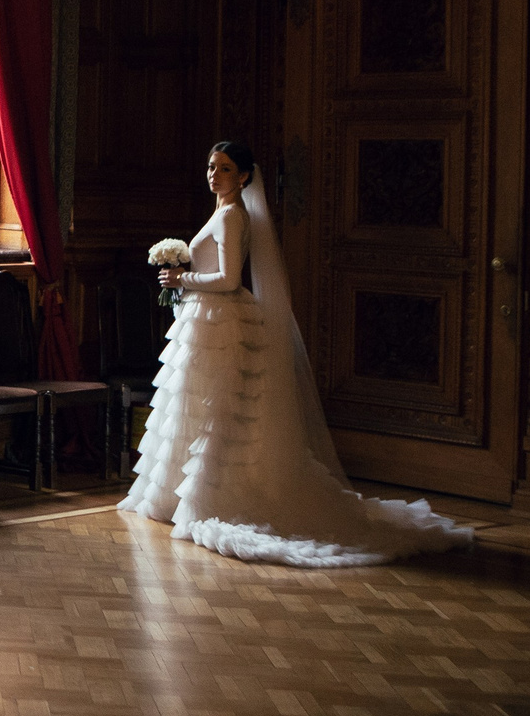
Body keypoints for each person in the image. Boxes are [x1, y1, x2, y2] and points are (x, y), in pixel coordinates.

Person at [118, 140, 475, 567]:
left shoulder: (231, 215)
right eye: (212, 166)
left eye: (225, 168)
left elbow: (230, 280)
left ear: (244, 177)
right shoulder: (223, 211)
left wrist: (183, 279)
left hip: (221, 320)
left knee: (219, 412)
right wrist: (183, 282)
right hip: (208, 319)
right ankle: (177, 496)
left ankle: (208, 498)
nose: (214, 174)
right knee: (199, 408)